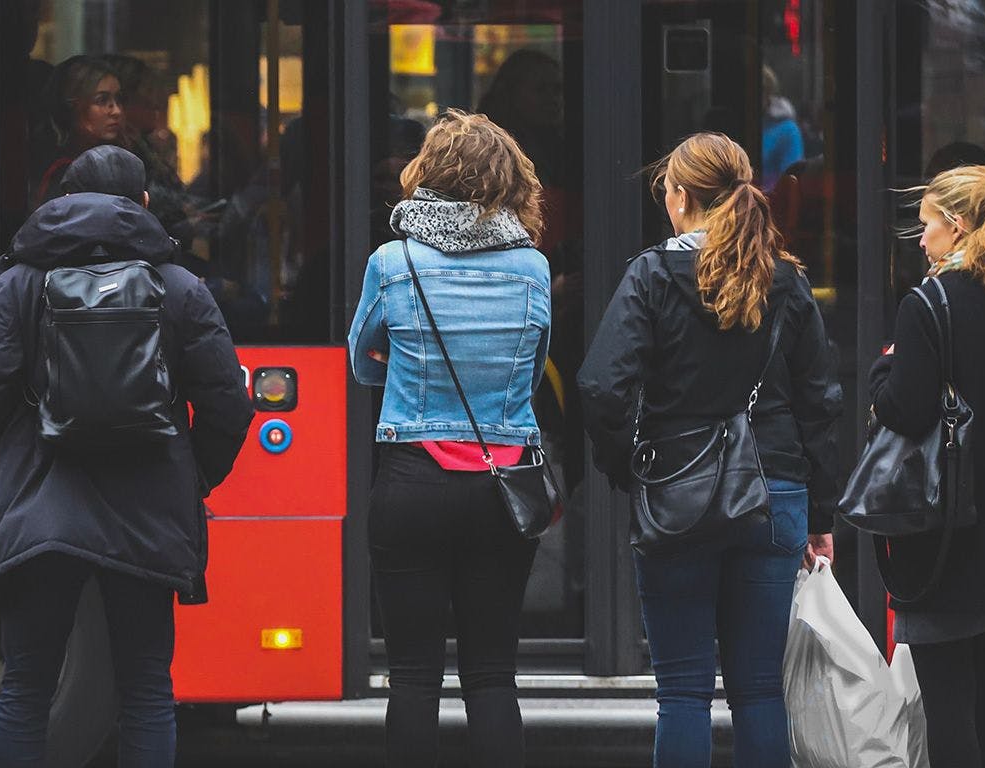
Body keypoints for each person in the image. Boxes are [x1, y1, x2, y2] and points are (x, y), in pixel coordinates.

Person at [577, 132, 840, 768]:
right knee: (758, 693)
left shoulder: (651, 275)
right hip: (774, 491)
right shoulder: (785, 281)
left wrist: (628, 468)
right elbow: (821, 406)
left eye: (666, 190)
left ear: (683, 198)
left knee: (684, 694)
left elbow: (600, 388)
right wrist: (821, 516)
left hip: (677, 493)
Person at [0, 145, 254, 767]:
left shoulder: (14, 284)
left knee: (25, 689)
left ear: (60, 204)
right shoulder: (181, 286)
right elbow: (226, 406)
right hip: (148, 514)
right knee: (145, 692)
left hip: (39, 513)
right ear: (142, 204)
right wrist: (191, 476)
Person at [347, 109, 550, 768]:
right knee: (492, 673)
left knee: (412, 674)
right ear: (507, 180)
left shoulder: (393, 261)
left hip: (413, 481)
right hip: (503, 482)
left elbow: (359, 361)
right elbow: (535, 357)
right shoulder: (531, 267)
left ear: (427, 174)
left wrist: (403, 366)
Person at [870, 164, 985, 767]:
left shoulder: (928, 304)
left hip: (947, 537)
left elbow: (902, 409)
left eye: (926, 225)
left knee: (949, 709)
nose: (921, 239)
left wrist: (885, 367)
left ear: (957, 227)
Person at [29, 55, 126, 207]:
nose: (116, 111)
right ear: (71, 105)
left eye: (118, 99)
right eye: (101, 100)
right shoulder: (61, 172)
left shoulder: (117, 161)